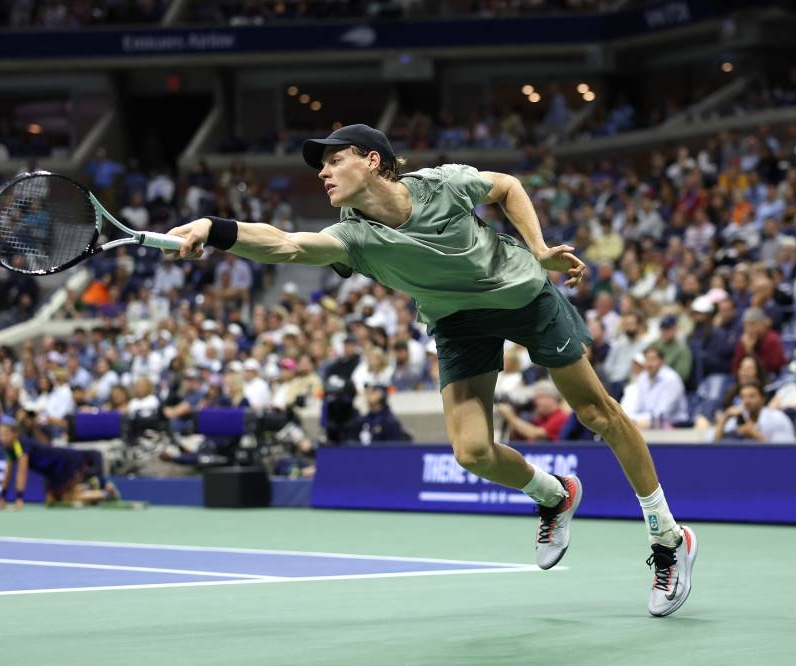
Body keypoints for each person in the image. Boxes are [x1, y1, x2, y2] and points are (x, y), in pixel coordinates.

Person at [165, 123, 695, 616]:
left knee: (596, 412)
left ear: (373, 161)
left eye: (334, 160)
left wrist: (538, 249)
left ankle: (669, 538)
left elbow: (507, 185)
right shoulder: (354, 238)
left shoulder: (441, 185)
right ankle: (555, 494)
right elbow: (285, 244)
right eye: (319, 165)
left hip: (522, 295)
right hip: (456, 323)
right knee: (473, 453)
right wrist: (214, 228)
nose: (322, 172)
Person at [0, 420, 115, 509]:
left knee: (66, 498)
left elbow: (21, 472)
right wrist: (2, 497)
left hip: (64, 462)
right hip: (52, 471)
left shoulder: (20, 444)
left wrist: (19, 499)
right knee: (51, 501)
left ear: (15, 434)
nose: (2, 438)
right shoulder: (9, 449)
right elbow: (8, 473)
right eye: (0, 434)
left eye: (5, 434)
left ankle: (104, 494)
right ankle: (91, 490)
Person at [711, 382, 796, 444]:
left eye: (752, 396)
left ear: (763, 399)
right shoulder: (736, 419)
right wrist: (723, 421)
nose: (747, 401)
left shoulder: (777, 418)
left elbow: (786, 450)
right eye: (743, 397)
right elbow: (714, 447)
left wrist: (755, 435)